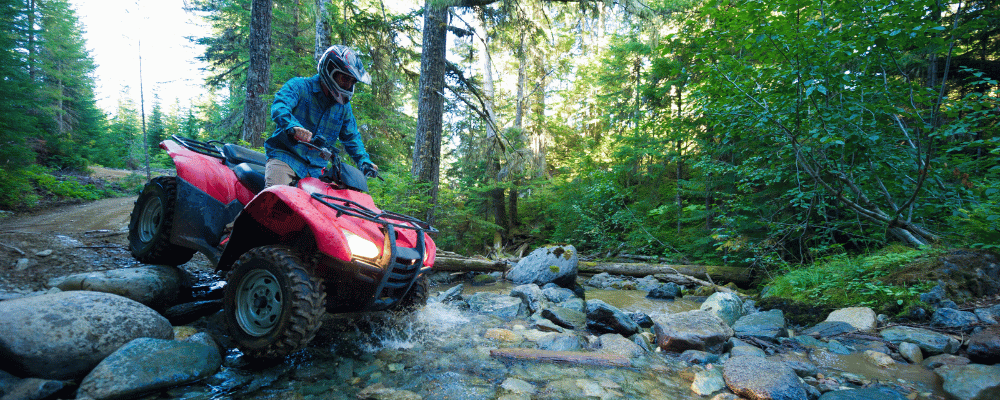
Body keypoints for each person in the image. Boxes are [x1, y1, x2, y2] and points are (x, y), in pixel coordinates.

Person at [263, 45, 379, 187]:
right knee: (276, 198)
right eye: (344, 78)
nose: (348, 85)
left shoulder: (343, 108)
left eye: (352, 81)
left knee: (336, 206)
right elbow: (280, 107)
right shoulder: (299, 86)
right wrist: (294, 127)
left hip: (317, 171)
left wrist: (364, 161)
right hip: (285, 159)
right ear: (330, 70)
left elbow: (351, 137)